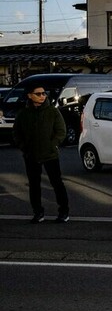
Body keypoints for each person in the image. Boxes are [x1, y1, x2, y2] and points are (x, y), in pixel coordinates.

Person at [12, 85, 69, 223]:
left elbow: (61, 131)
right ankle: (38, 212)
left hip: (50, 154)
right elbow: (16, 132)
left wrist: (53, 144)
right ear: (30, 95)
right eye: (38, 94)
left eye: (44, 93)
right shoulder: (24, 114)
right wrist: (23, 147)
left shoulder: (52, 111)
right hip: (31, 154)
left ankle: (64, 212)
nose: (42, 96)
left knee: (57, 183)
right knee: (34, 184)